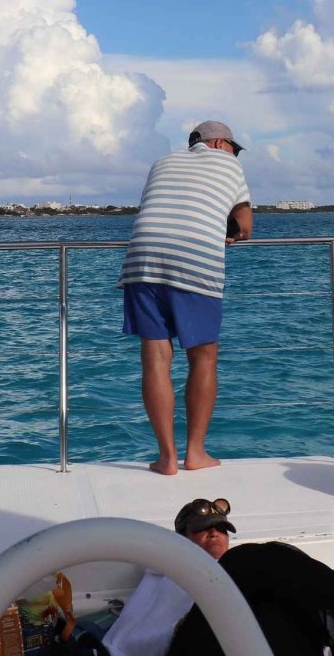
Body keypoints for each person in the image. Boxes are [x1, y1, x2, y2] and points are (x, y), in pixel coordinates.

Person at [105, 496, 334, 656]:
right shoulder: (167, 575)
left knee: (275, 603)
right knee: (254, 558)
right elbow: (128, 643)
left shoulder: (257, 574)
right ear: (182, 539)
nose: (215, 531)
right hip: (200, 649)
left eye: (221, 528)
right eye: (202, 528)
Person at [119, 120, 253, 476]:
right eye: (234, 148)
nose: (235, 155)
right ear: (220, 143)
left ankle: (166, 458)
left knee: (155, 358)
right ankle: (195, 453)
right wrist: (228, 231)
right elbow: (245, 227)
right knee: (203, 356)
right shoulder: (229, 165)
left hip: (142, 257)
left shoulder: (162, 162)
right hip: (193, 258)